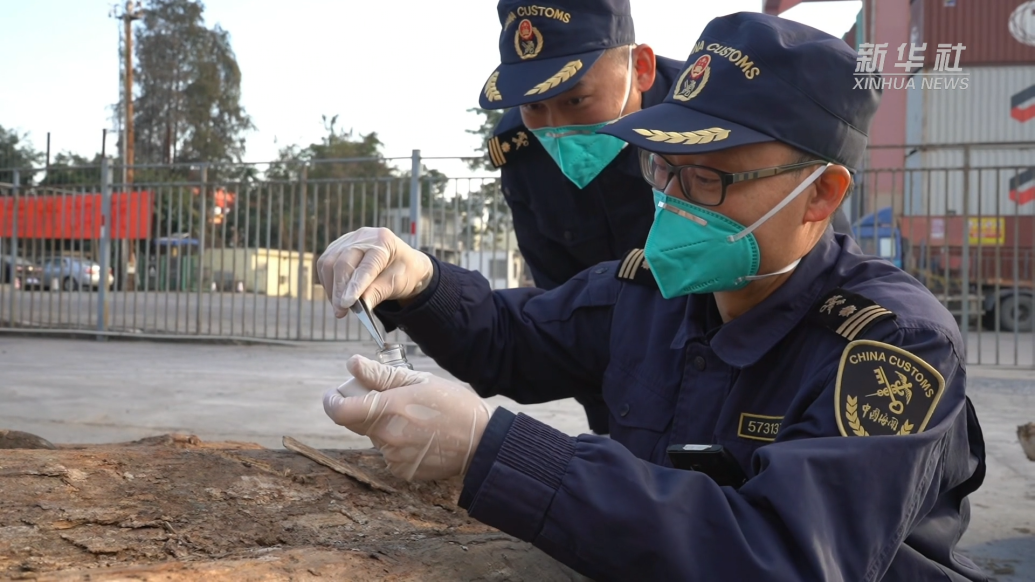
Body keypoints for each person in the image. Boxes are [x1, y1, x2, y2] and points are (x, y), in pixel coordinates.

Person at [318, 12, 987, 581]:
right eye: (661, 168)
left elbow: (784, 554)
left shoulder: (890, 342)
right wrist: (418, 280)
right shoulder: (653, 292)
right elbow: (510, 336)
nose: (670, 202)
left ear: (820, 194)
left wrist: (490, 451)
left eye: (706, 178)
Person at [475, 0, 685, 436]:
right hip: (614, 374)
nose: (556, 127)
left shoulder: (717, 119)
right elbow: (566, 311)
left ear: (641, 68)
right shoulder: (523, 155)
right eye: (534, 107)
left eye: (576, 100)